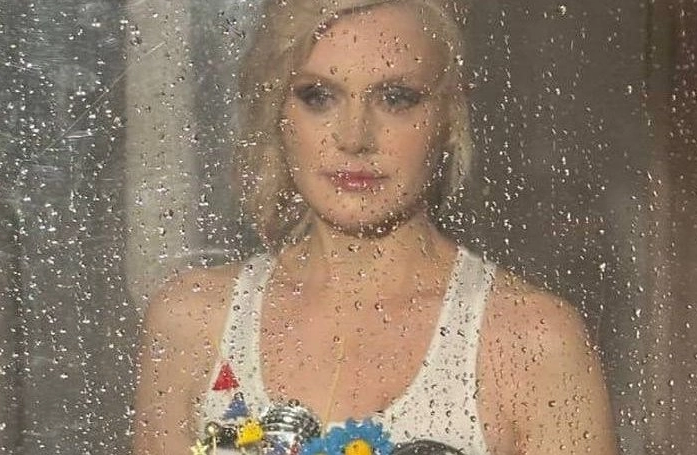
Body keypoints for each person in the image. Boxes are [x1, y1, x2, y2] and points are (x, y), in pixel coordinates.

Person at [132, 1, 618, 454]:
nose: (354, 137)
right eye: (318, 96)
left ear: (449, 115)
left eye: (396, 98)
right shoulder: (193, 322)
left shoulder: (532, 340)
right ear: (277, 109)